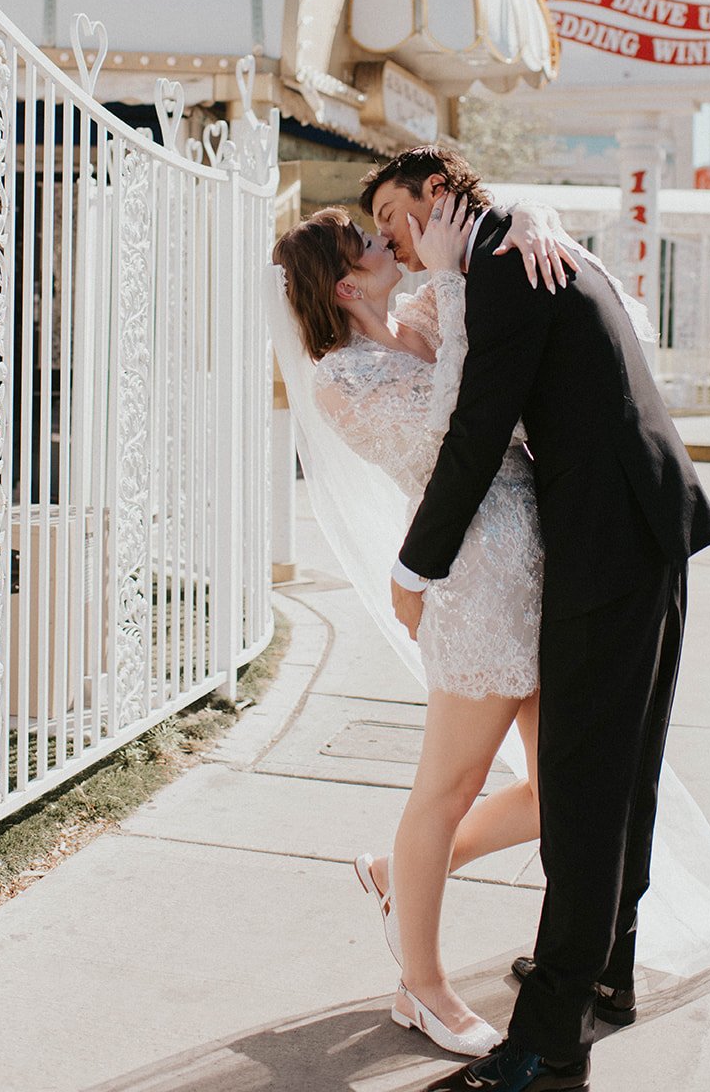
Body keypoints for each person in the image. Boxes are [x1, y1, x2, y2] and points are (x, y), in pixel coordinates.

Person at [359, 148, 710, 1092]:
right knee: (618, 770)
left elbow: (477, 431)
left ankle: (547, 1047)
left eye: (395, 217)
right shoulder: (517, 250)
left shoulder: (503, 264)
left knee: (582, 787)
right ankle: (606, 976)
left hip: (607, 543)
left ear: (437, 195)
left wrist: (413, 566)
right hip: (641, 526)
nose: (395, 243)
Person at [272, 189, 572, 1056]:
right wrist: (450, 288)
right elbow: (457, 433)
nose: (389, 241)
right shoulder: (342, 380)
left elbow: (501, 243)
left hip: (537, 566)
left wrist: (529, 218)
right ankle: (422, 986)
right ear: (345, 286)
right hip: (474, 581)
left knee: (558, 793)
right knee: (445, 791)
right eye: (368, 242)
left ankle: (394, 873)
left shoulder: (424, 318)